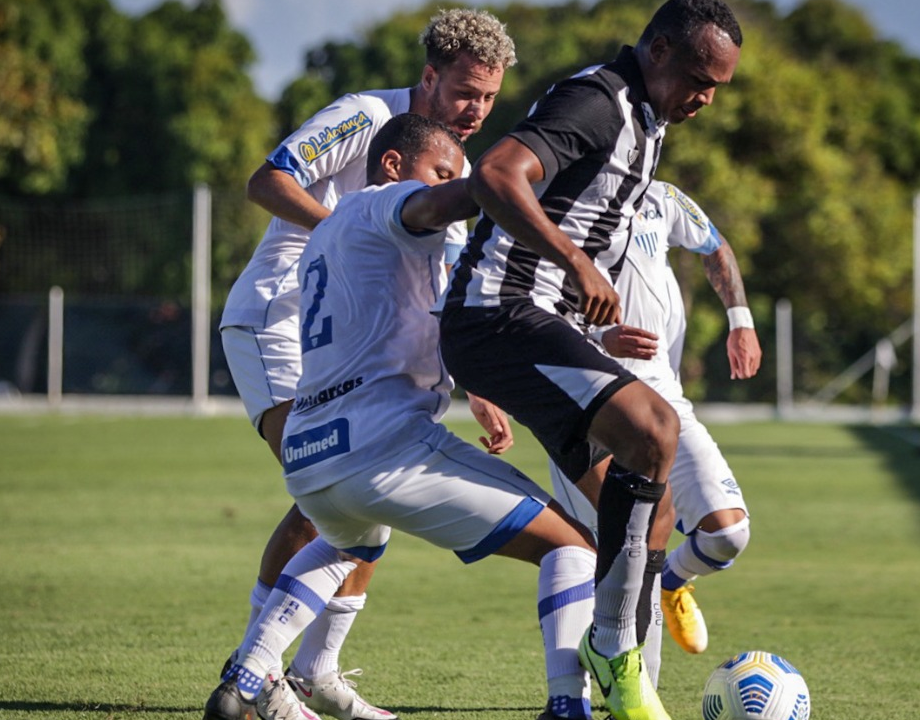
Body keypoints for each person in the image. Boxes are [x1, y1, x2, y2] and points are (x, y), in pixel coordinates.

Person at [210, 114, 599, 720]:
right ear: (392, 166)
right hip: (382, 445)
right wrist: (496, 182)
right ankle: (566, 708)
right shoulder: (382, 205)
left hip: (314, 452)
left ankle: (246, 676)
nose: (450, 183)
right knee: (573, 545)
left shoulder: (331, 235)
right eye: (442, 171)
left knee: (349, 539)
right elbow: (435, 206)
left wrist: (477, 387)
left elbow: (413, 322)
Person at [438, 3, 742, 719]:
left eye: (718, 88)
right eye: (699, 78)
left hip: (536, 324)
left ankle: (597, 695)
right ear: (659, 50)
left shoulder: (649, 121)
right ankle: (611, 649)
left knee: (651, 506)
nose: (705, 97)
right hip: (496, 315)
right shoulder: (600, 100)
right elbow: (498, 173)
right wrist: (575, 263)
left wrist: (591, 333)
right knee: (656, 430)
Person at [213, 11, 516, 720]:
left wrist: (478, 384)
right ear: (430, 75)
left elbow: (443, 283)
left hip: (355, 347)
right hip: (279, 323)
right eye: (465, 92)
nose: (475, 111)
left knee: (361, 490)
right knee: (328, 496)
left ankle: (312, 672)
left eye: (489, 99)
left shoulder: (457, 170)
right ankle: (256, 679)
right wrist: (348, 236)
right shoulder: (365, 116)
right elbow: (268, 179)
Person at [548, 181, 759, 673]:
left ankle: (673, 582)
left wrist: (741, 318)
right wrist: (599, 334)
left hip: (665, 401)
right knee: (622, 549)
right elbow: (524, 307)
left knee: (729, 535)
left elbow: (715, 247)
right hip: (588, 402)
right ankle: (591, 689)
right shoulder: (553, 203)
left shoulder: (661, 197)